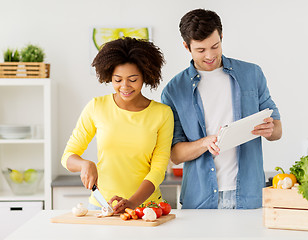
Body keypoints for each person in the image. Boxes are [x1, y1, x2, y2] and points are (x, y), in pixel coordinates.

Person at [161, 9, 282, 209]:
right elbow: (175, 155)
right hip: (200, 200)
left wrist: (271, 130)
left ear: (221, 37)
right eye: (200, 50)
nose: (210, 55)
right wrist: (204, 143)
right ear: (186, 46)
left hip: (250, 196)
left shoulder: (252, 74)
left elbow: (277, 130)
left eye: (215, 46)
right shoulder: (174, 90)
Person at [61, 37, 174, 214]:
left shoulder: (162, 113)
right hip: (102, 206)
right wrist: (84, 164)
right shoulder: (96, 106)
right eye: (118, 79)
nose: (125, 86)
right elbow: (68, 156)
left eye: (133, 79)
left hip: (146, 208)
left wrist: (132, 202)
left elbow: (158, 170)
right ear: (109, 77)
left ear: (145, 75)